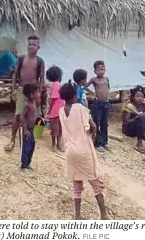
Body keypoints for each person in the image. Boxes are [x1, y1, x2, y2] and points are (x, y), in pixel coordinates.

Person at [58, 81, 108, 220]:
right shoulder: (80, 108)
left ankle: (78, 216)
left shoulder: (61, 111)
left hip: (70, 151)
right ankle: (104, 215)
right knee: (97, 184)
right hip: (83, 150)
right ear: (75, 96)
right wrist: (93, 134)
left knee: (77, 184)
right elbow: (91, 126)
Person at [5, 35, 45, 152]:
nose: (31, 47)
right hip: (22, 90)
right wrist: (13, 89)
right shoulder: (21, 59)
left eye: (34, 45)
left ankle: (33, 138)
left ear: (38, 47)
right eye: (29, 44)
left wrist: (40, 93)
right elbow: (15, 74)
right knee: (18, 115)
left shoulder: (40, 61)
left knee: (35, 115)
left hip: (34, 92)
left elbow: (41, 78)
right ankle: (12, 139)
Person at [121, 85, 145, 154]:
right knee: (141, 117)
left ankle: (142, 134)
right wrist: (136, 118)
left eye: (142, 96)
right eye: (137, 96)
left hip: (138, 129)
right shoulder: (129, 106)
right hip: (129, 130)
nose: (140, 98)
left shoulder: (144, 105)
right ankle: (139, 143)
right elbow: (125, 122)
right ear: (133, 97)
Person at [87, 60, 110, 153]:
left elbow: (108, 88)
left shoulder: (107, 78)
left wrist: (106, 96)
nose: (101, 71)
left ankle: (105, 141)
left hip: (106, 103)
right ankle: (98, 143)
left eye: (103, 69)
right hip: (97, 104)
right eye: (99, 70)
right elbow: (85, 86)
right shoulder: (94, 79)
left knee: (105, 123)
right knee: (97, 123)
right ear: (95, 71)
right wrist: (93, 93)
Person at [19, 83, 39, 171]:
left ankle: (28, 163)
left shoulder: (33, 102)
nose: (37, 94)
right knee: (26, 147)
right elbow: (22, 116)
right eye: (36, 92)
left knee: (32, 146)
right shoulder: (27, 104)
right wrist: (25, 129)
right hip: (27, 129)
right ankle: (23, 165)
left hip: (32, 129)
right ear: (31, 94)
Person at [46, 65, 64, 152]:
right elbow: (53, 98)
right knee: (58, 128)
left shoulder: (54, 85)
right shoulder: (57, 84)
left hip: (56, 110)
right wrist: (50, 108)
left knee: (55, 128)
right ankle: (57, 144)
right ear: (59, 76)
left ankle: (56, 144)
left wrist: (50, 108)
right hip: (58, 110)